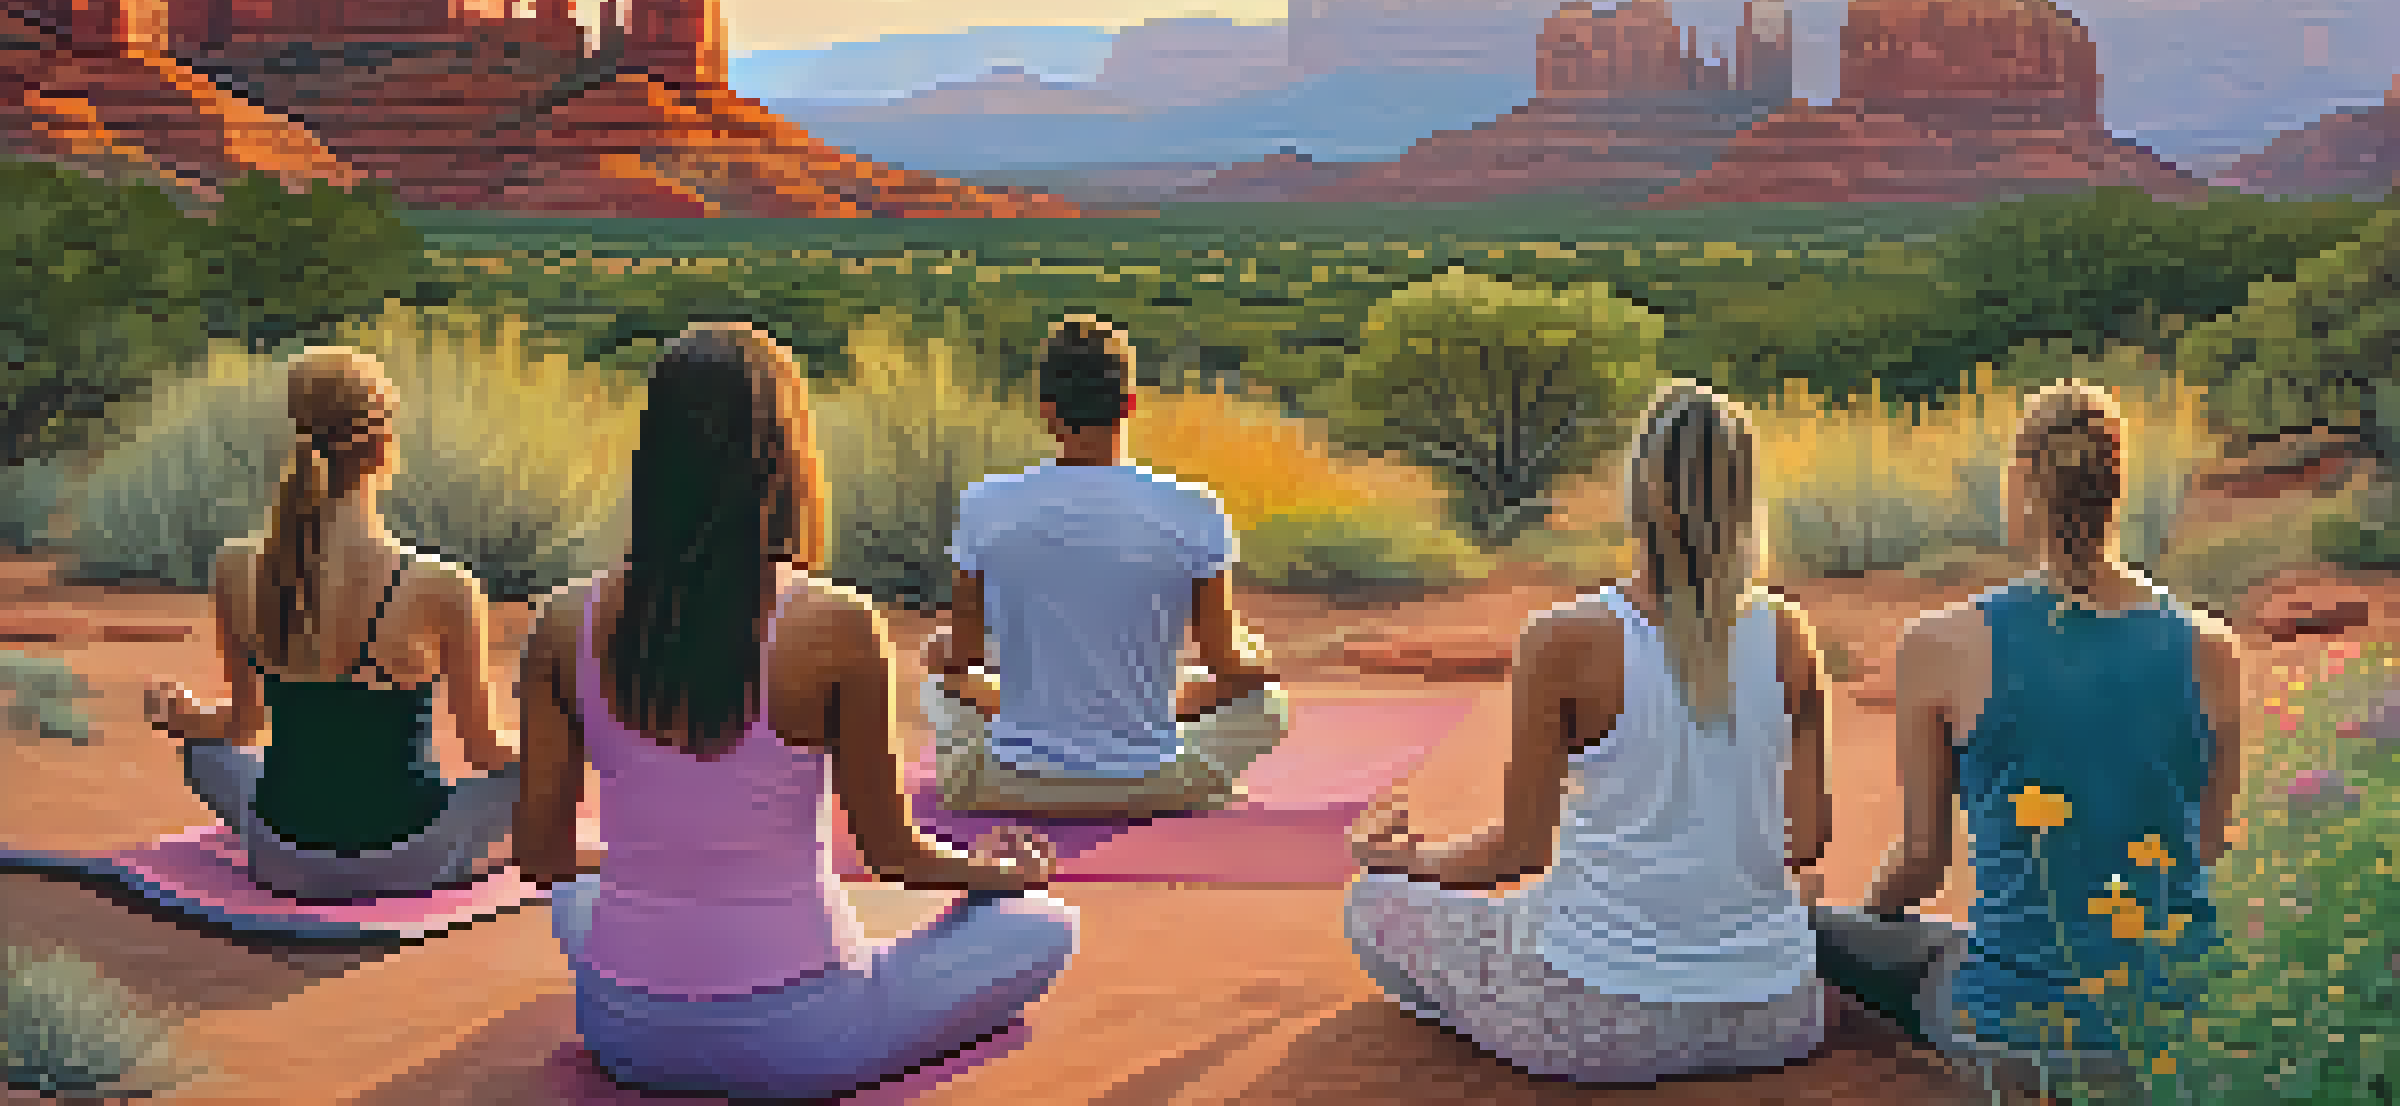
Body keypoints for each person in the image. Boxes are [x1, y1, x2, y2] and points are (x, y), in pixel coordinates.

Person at [512, 322, 1077, 1100]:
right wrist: (992, 871)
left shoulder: (563, 623)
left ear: (656, 455)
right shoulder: (835, 624)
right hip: (798, 1039)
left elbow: (541, 859)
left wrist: (658, 868)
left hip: (624, 1032)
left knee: (580, 894)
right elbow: (892, 855)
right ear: (784, 457)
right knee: (1042, 927)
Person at [1345, 379, 1834, 1084]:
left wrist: (1407, 861)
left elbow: (1516, 851)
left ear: (1639, 493)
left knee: (1372, 904)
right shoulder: (1790, 634)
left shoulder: (1564, 639)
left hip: (1599, 1019)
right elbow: (1809, 841)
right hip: (1778, 1016)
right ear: (1746, 499)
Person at [1839, 379, 2244, 1099]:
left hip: (2014, 1032)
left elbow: (1924, 863)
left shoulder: (1941, 643)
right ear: (2118, 491)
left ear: (2022, 486)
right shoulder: (2211, 648)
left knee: (1839, 941)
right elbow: (2203, 847)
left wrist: (1869, 922)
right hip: (2174, 1026)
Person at [143, 348, 521, 902]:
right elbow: (485, 751)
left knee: (206, 756)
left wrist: (184, 717)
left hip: (283, 857)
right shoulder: (444, 586)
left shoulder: (236, 567)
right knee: (532, 778)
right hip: (409, 856)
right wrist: (558, 748)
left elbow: (242, 726)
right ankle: (470, 858)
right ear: (385, 447)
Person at [921, 314, 1289, 819]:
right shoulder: (1194, 508)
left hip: (1005, 784)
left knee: (940, 687)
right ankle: (1151, 730)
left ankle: (1076, 727)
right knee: (1267, 704)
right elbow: (1226, 661)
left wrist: (937, 649)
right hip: (1158, 782)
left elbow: (960, 653)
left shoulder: (987, 504)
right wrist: (1259, 655)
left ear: (1048, 412)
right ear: (1130, 405)